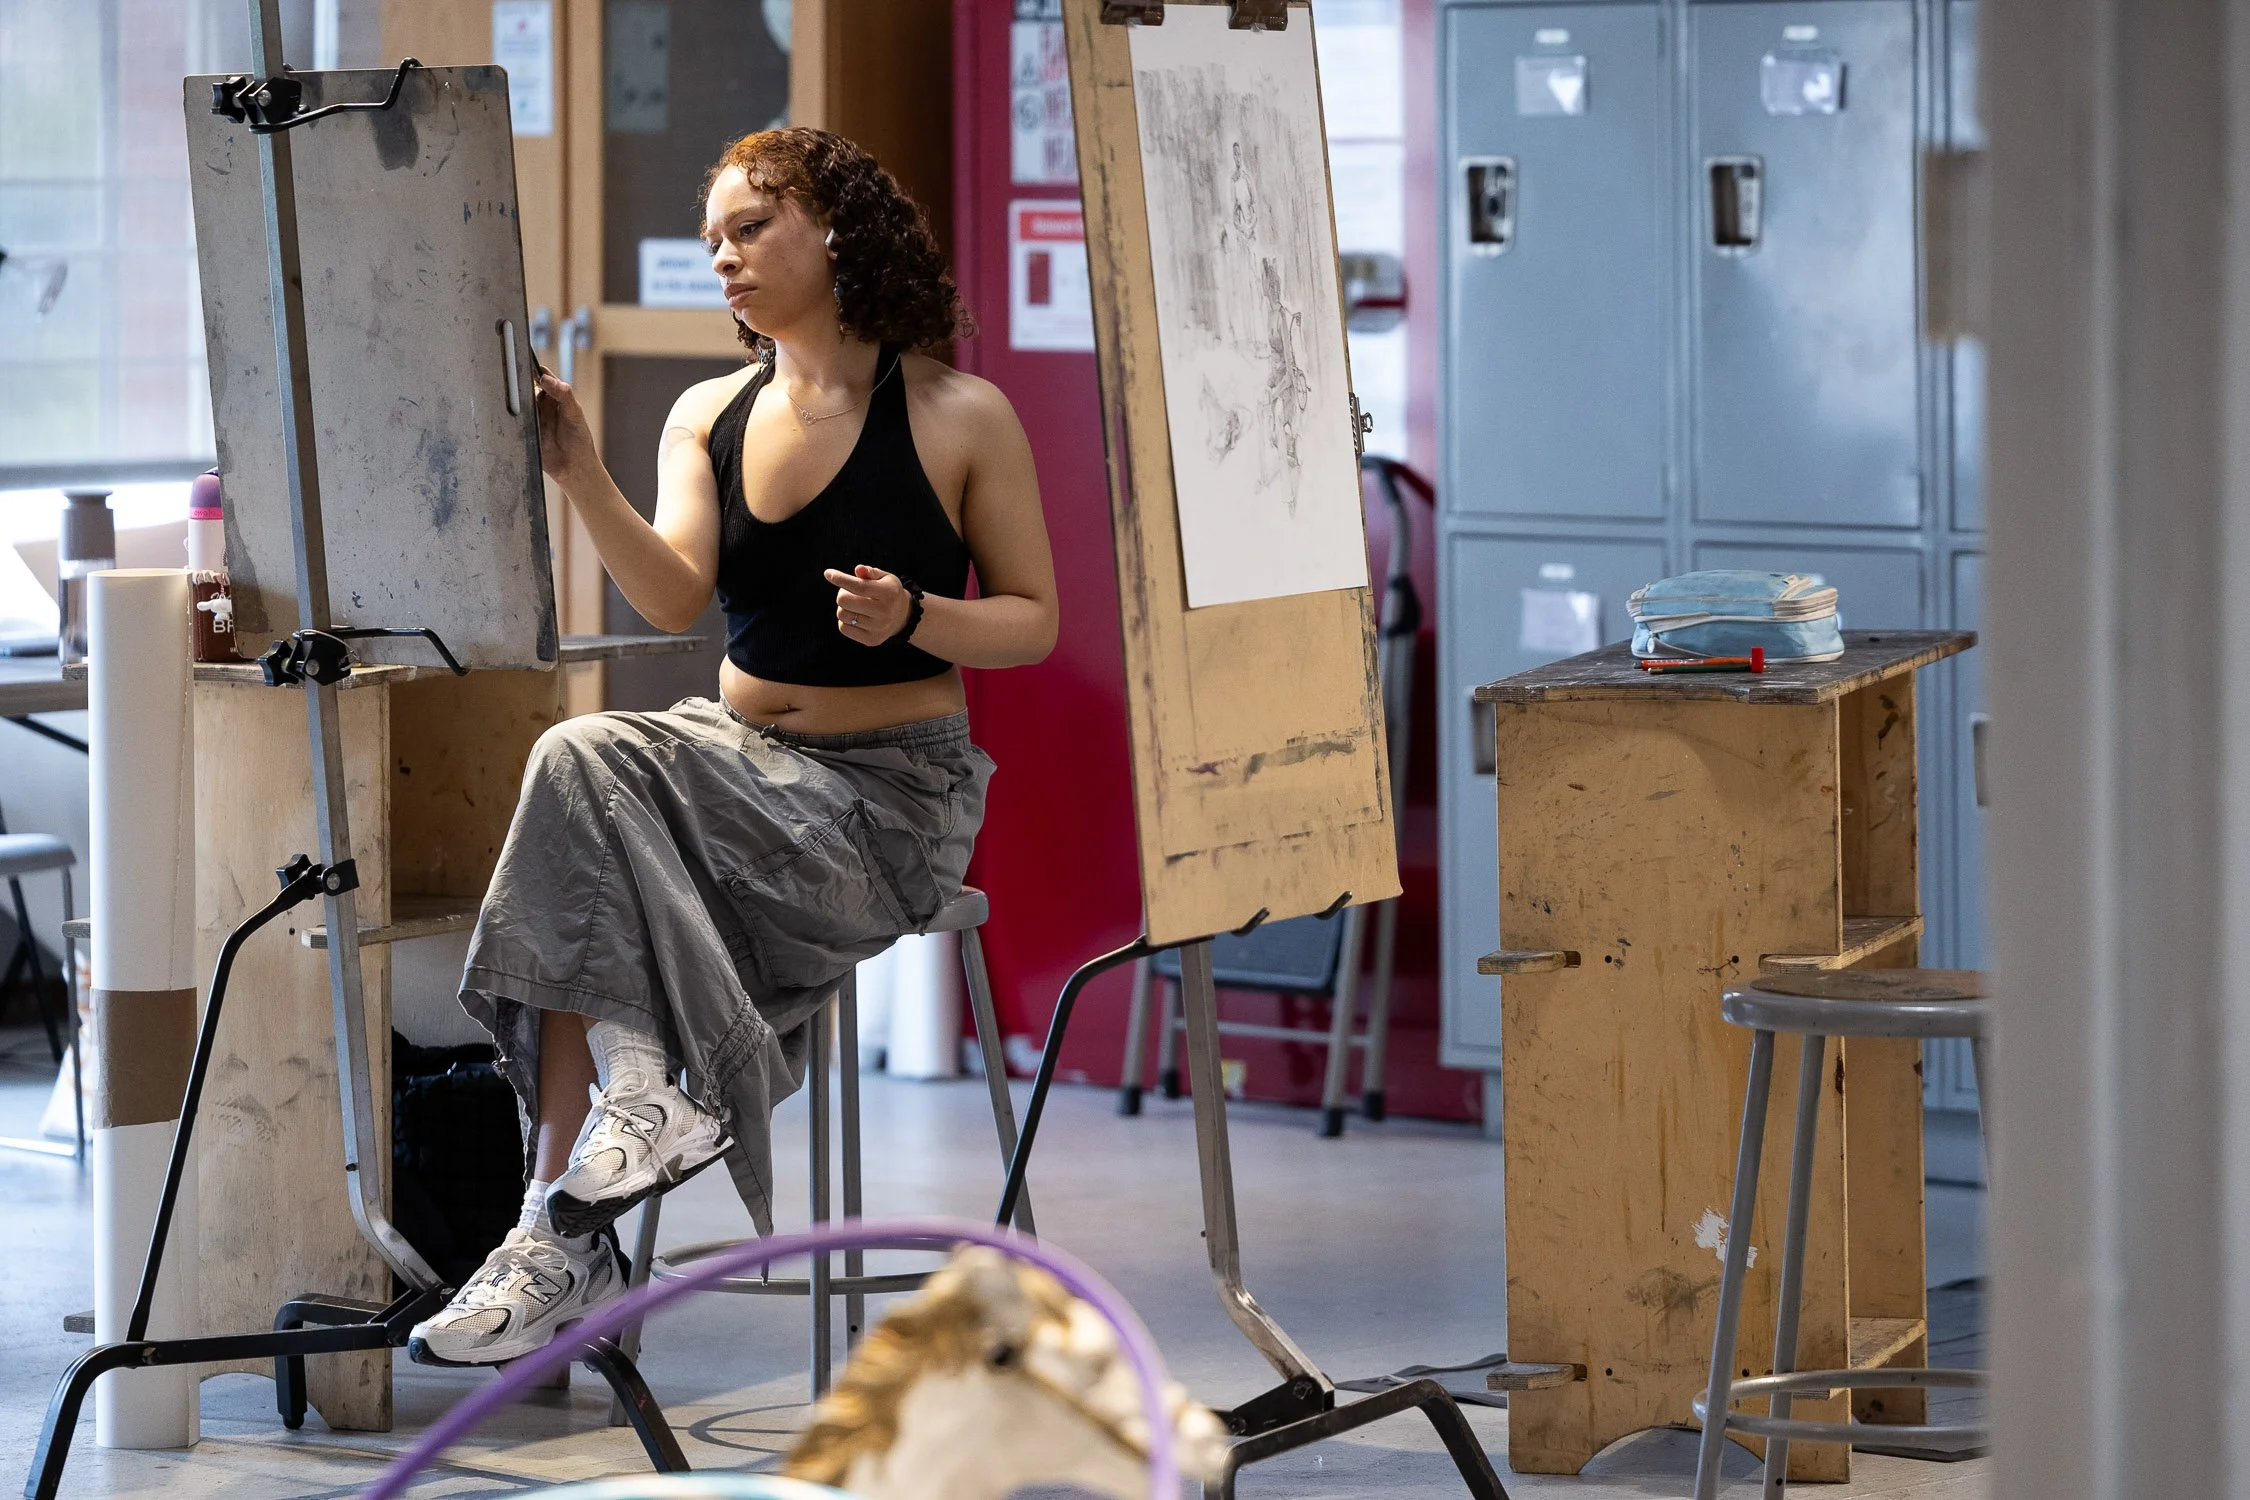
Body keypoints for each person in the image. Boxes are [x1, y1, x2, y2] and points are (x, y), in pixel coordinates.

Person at [408, 128, 1058, 1365]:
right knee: (578, 765)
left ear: (835, 229)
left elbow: (1035, 621)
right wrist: (582, 471)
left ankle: (615, 1143)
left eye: (751, 228)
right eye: (713, 238)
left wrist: (919, 616)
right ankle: (559, 1215)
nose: (725, 257)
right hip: (734, 770)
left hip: (884, 803)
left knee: (591, 789)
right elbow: (670, 596)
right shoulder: (709, 412)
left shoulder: (960, 413)